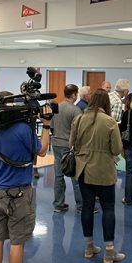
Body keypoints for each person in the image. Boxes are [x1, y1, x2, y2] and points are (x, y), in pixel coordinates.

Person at [0, 91, 51, 263]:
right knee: (17, 242)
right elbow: (41, 151)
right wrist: (46, 125)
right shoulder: (23, 130)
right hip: (20, 193)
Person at [70, 88, 124, 263]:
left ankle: (88, 247)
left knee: (87, 207)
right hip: (104, 171)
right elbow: (116, 149)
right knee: (108, 208)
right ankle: (109, 252)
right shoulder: (110, 122)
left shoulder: (78, 119)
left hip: (83, 171)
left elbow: (72, 144)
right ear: (106, 103)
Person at [51, 84, 83, 213]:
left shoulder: (56, 107)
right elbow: (79, 131)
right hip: (69, 146)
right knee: (75, 176)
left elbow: (51, 126)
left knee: (58, 175)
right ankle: (81, 206)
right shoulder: (76, 110)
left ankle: (58, 204)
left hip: (56, 144)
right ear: (74, 94)